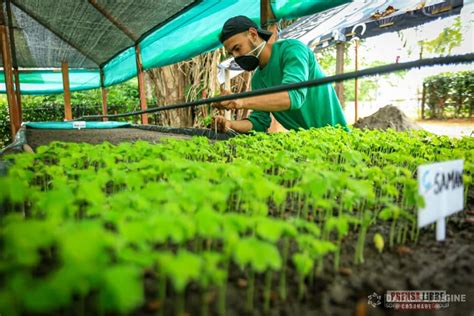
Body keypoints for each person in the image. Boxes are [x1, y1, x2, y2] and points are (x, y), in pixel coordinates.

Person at [212, 15, 347, 133]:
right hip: (308, 145)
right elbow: (259, 122)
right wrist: (230, 124)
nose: (236, 57)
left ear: (253, 35)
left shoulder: (292, 50)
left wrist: (240, 101)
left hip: (337, 140)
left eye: (237, 48)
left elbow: (293, 97)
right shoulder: (257, 79)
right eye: (232, 53)